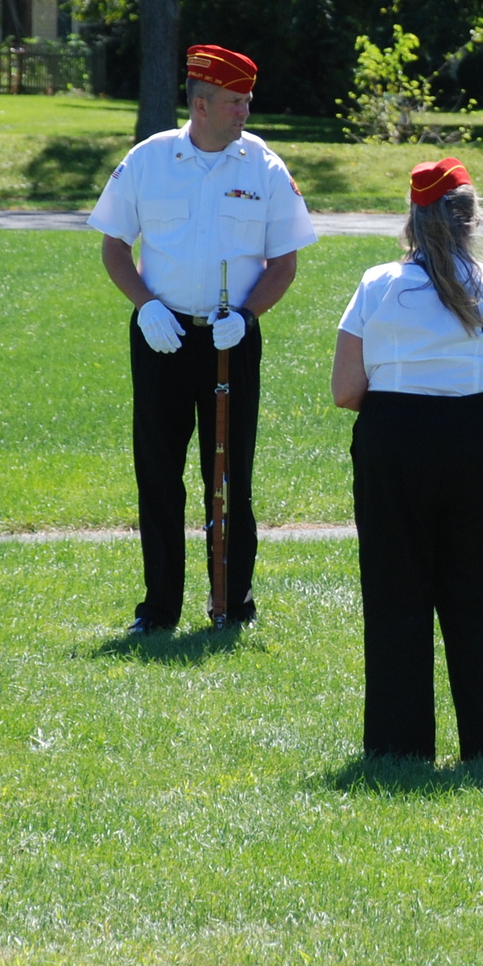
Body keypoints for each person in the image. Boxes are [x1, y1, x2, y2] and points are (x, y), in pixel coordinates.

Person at [90, 44, 319, 633]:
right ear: (201, 103)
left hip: (231, 337)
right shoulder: (149, 160)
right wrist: (146, 308)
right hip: (162, 336)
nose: (245, 110)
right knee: (159, 475)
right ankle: (159, 610)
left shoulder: (263, 166)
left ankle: (231, 606)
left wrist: (245, 317)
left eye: (246, 100)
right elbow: (114, 247)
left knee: (229, 475)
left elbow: (284, 263)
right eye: (234, 101)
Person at [333, 158, 483, 763]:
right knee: (479, 599)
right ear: (473, 218)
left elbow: (347, 391)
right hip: (477, 439)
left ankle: (399, 748)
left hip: (392, 440)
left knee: (395, 594)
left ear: (412, 217)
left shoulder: (376, 285)